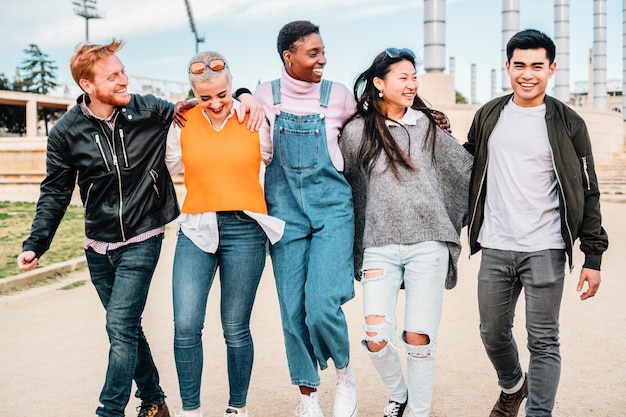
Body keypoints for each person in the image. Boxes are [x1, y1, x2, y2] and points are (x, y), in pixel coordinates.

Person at [15, 39, 263, 417]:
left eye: (123, 71)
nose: (123, 80)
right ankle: (153, 400)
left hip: (144, 233)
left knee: (120, 323)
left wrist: (245, 94)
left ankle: (109, 411)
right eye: (113, 76)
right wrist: (37, 241)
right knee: (126, 329)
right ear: (87, 85)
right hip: (98, 243)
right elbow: (55, 191)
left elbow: (201, 102)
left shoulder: (148, 109)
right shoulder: (65, 133)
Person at [464, 29, 609, 417]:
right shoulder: (489, 115)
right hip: (495, 243)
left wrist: (592, 256)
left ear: (552, 69)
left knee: (544, 341)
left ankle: (537, 413)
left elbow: (588, 189)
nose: (527, 74)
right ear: (507, 67)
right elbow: (466, 165)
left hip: (545, 247)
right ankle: (513, 385)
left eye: (537, 66)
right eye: (519, 65)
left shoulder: (569, 123)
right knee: (492, 332)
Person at [340, 48, 472, 417]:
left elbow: (465, 169)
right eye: (404, 77)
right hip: (378, 245)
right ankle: (401, 395)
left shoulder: (427, 126)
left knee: (418, 338)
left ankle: (419, 412)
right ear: (379, 84)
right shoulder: (354, 132)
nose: (412, 84)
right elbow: (348, 187)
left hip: (428, 243)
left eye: (415, 77)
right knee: (376, 338)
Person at [164, 50, 284, 417]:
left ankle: (237, 408)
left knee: (235, 327)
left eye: (222, 94)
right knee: (185, 325)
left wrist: (247, 97)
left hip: (246, 231)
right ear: (192, 95)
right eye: (204, 97)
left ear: (232, 84)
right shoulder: (181, 123)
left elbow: (276, 161)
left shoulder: (254, 118)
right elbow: (167, 167)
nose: (215, 104)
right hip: (197, 228)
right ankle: (191, 411)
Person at [252, 20, 358, 417]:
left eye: (323, 52)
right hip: (284, 215)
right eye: (313, 53)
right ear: (288, 56)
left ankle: (345, 374)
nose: (322, 60)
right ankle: (308, 397)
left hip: (332, 210)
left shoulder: (340, 97)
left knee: (321, 303)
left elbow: (376, 126)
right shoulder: (265, 96)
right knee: (292, 309)